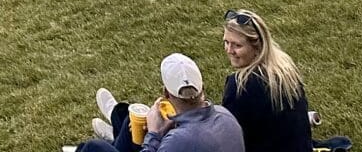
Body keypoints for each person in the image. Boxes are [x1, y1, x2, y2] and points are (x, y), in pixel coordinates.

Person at [73, 54, 243, 152]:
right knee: (130, 123)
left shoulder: (176, 141)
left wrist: (154, 134)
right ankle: (116, 126)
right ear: (202, 88)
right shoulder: (226, 117)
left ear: (166, 93)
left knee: (93, 147)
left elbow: (183, 141)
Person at [219, 8, 315, 152]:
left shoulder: (240, 86)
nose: (229, 50)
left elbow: (228, 136)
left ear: (257, 47)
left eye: (237, 45)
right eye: (226, 42)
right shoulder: (286, 70)